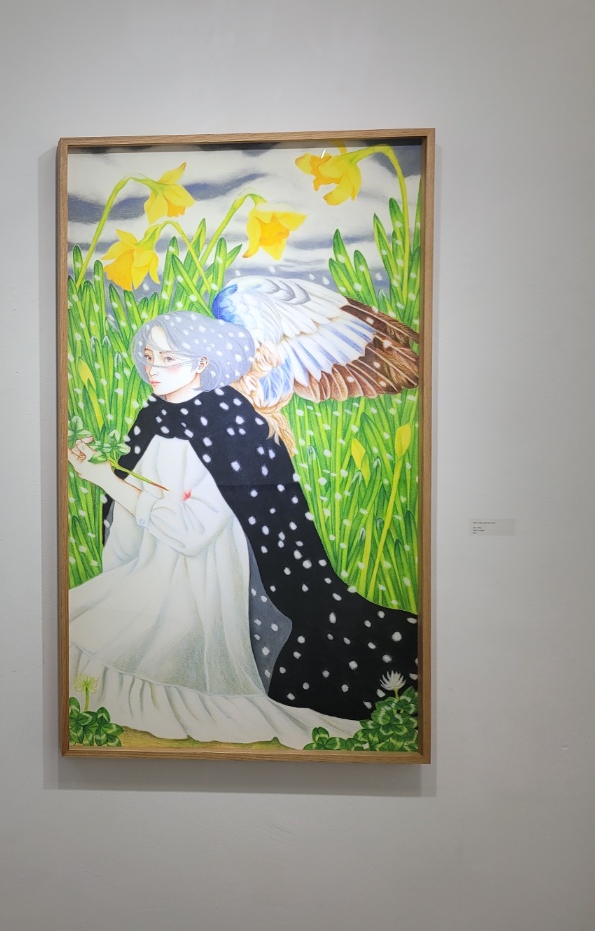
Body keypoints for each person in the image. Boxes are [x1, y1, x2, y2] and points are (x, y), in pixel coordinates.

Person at [68, 311, 418, 748]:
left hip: (204, 585)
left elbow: (192, 531)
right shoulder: (154, 414)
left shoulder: (229, 424)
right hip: (153, 564)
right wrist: (105, 474)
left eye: (169, 358)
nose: (153, 367)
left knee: (95, 634)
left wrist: (105, 480)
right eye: (149, 355)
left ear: (201, 363)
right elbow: (138, 500)